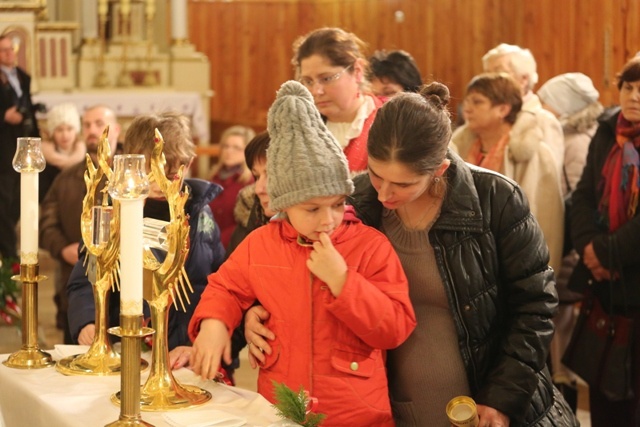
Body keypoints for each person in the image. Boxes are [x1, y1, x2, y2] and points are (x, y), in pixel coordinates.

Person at [246, 82, 578, 426]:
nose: (385, 193)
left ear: (439, 170)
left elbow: (535, 306)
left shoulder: (497, 199)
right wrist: (257, 311)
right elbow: (288, 258)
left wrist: (502, 398)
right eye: (376, 174)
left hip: (486, 404)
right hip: (389, 407)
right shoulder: (354, 201)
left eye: (404, 184)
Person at [187, 81, 416, 426]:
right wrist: (214, 323)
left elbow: (394, 328)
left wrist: (343, 281)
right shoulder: (261, 243)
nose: (327, 220)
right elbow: (226, 288)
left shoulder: (369, 246)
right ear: (283, 205)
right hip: (280, 408)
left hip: (356, 413)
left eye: (338, 204)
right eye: (312, 209)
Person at [67, 112, 226, 354]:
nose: (160, 184)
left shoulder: (200, 214)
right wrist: (87, 321)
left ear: (189, 163)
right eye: (149, 173)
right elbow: (86, 278)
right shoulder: (112, 211)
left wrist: (202, 337)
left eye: (171, 175)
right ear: (131, 164)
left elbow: (217, 284)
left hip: (187, 349)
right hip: (127, 346)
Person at [568, 56, 640, 427]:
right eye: (628, 86)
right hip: (606, 287)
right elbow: (582, 196)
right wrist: (589, 248)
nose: (634, 96)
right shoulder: (607, 130)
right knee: (605, 400)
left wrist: (605, 253)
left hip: (634, 280)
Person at [451, 72, 564, 275]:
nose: (467, 108)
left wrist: (541, 274)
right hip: (469, 260)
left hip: (514, 259)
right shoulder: (459, 147)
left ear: (503, 109)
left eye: (477, 102)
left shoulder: (534, 153)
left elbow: (547, 220)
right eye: (467, 100)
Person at [537, 72, 603, 407]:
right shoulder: (589, 134)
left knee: (561, 339)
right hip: (573, 251)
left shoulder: (576, 142)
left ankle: (566, 407)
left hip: (570, 252)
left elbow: (578, 202)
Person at [39, 105, 121, 343]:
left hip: (121, 296)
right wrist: (62, 247)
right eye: (86, 125)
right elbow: (47, 221)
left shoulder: (131, 177)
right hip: (75, 290)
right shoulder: (67, 178)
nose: (92, 130)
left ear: (115, 129)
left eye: (99, 124)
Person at [293, 27, 384, 172]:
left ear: (357, 71)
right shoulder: (300, 129)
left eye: (327, 78)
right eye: (308, 81)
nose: (317, 91)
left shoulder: (388, 122)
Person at [482, 43, 565, 177]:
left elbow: (549, 178)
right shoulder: (480, 118)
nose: (488, 81)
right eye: (486, 74)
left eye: (497, 72)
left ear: (523, 79)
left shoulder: (543, 121)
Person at [0, 34, 39, 260]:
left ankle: (8, 245)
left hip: (22, 141)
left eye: (10, 49)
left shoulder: (22, 76)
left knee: (18, 197)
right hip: (3, 147)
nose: (8, 54)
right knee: (4, 200)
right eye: (3, 50)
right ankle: (10, 253)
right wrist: (4, 116)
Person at [208, 125, 255, 248]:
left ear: (247, 151)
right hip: (207, 243)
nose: (229, 151)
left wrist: (216, 242)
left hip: (231, 247)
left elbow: (245, 224)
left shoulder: (250, 183)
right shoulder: (213, 177)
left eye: (236, 148)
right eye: (226, 146)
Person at [39, 102, 86, 202]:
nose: (65, 135)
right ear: (52, 133)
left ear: (76, 131)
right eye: (60, 130)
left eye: (69, 129)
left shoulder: (86, 157)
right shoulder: (43, 159)